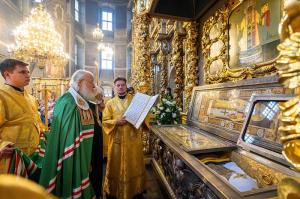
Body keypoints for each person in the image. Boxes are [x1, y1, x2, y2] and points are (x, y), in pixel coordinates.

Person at [39, 70, 103, 199]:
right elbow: (68, 139)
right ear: (79, 83)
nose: (94, 87)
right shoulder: (68, 102)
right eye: (91, 82)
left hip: (88, 155)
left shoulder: (81, 100)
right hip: (74, 156)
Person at [103, 77, 145, 199]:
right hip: (117, 140)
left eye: (122, 85)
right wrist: (116, 121)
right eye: (118, 85)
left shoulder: (135, 101)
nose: (120, 87)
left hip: (133, 139)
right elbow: (105, 121)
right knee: (115, 163)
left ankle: (136, 189)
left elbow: (143, 117)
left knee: (134, 163)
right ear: (115, 87)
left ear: (126, 86)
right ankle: (114, 190)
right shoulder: (110, 103)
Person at [0, 59, 43, 174]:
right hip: (11, 159)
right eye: (22, 72)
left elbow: (36, 123)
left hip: (34, 155)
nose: (28, 75)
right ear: (7, 74)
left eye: (28, 72)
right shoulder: (2, 96)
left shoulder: (31, 98)